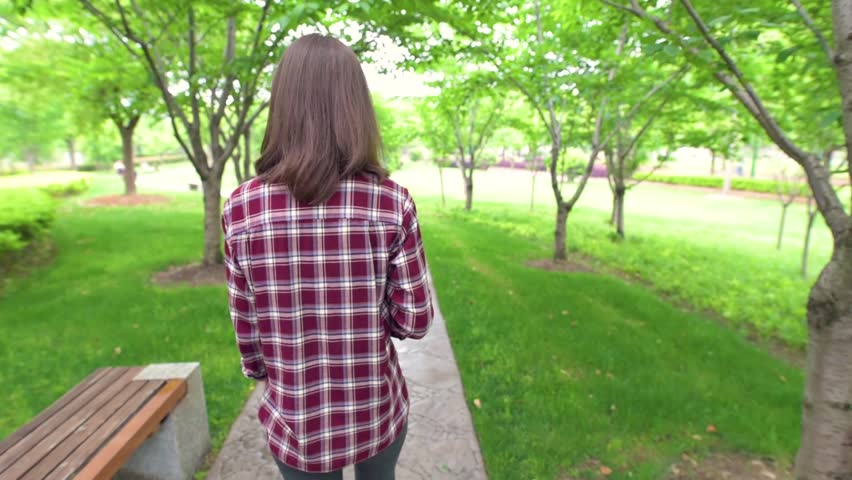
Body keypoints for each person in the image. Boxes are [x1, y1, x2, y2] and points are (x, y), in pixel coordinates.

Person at [221, 34, 433, 480]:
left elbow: (249, 336)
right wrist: (368, 314)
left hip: (297, 421)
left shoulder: (241, 209)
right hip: (376, 409)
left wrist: (269, 365)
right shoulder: (391, 203)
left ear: (283, 107)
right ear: (356, 108)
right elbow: (414, 320)